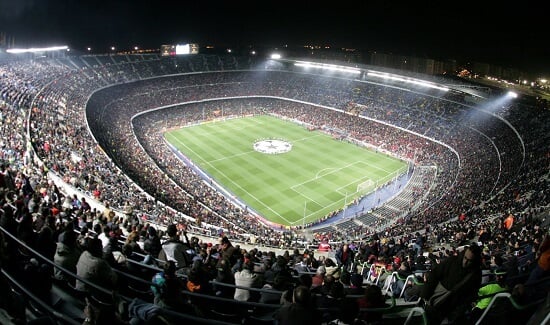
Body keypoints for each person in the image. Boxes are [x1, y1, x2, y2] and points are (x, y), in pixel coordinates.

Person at [421, 242, 482, 324]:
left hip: (454, 306)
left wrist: (459, 310)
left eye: (469, 261)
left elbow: (472, 293)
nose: (465, 262)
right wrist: (426, 294)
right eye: (465, 258)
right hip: (437, 300)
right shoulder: (452, 260)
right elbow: (435, 274)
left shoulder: (476, 273)